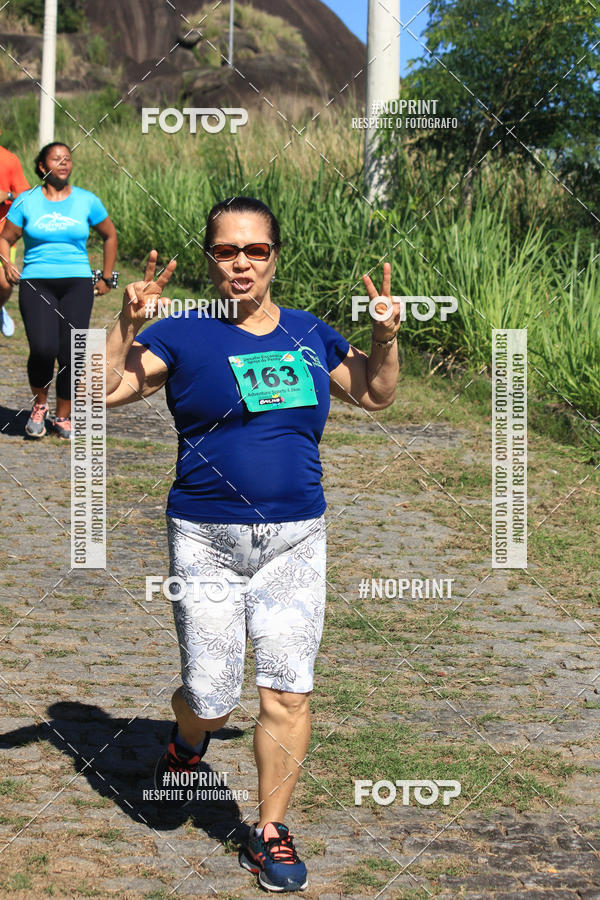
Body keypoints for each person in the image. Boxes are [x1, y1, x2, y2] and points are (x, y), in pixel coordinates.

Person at [105, 197, 400, 893]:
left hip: (296, 537)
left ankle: (267, 831)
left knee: (287, 691)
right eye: (227, 251)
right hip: (204, 538)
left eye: (255, 250)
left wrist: (384, 339)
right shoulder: (181, 334)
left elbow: (376, 395)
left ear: (275, 256)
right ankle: (187, 740)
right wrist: (125, 323)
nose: (241, 263)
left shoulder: (307, 333)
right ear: (211, 259)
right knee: (211, 695)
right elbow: (100, 389)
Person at [0, 141, 117, 439]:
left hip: (77, 282)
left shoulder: (87, 201)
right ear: (42, 166)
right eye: (56, 159)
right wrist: (6, 264)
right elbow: (6, 238)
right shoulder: (26, 201)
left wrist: (106, 277)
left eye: (68, 159)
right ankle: (40, 405)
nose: (64, 163)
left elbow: (109, 234)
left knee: (71, 353)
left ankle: (63, 416)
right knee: (42, 348)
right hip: (36, 281)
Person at [0, 134, 30, 337]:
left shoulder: (9, 160)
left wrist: (7, 195)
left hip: (3, 234)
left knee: (4, 283)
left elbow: (27, 194)